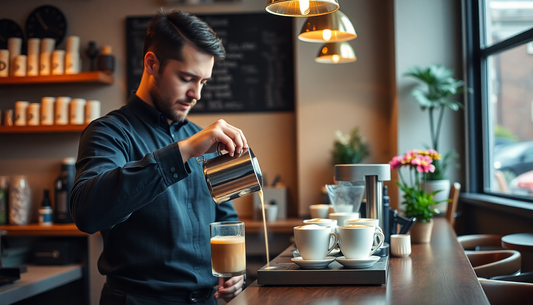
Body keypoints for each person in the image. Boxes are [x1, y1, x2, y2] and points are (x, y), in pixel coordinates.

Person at [70, 9, 246, 305]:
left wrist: (234, 269)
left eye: (203, 81)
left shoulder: (199, 138)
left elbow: (224, 216)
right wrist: (184, 151)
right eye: (187, 78)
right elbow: (87, 213)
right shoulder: (109, 133)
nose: (197, 94)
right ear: (152, 63)